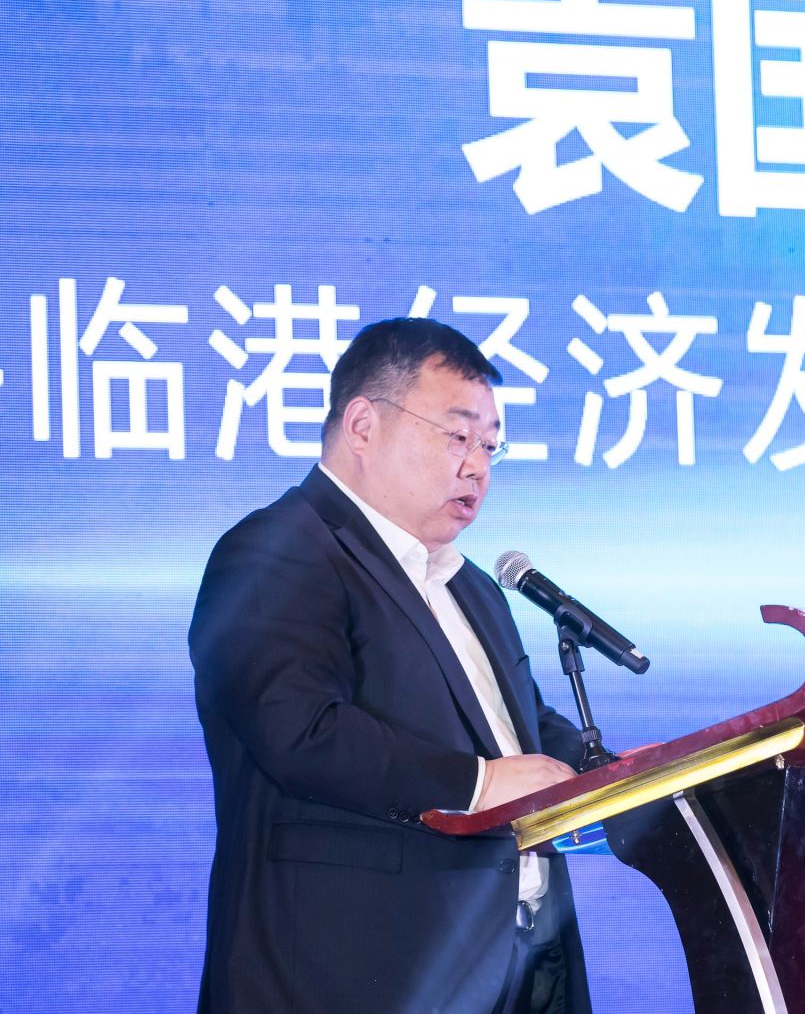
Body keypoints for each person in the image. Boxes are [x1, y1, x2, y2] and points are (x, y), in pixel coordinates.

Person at [189, 317, 591, 1013]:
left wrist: (630, 774)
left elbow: (523, 730)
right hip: (349, 979)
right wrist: (478, 783)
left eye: (490, 445)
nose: (477, 466)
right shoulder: (276, 549)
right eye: (457, 436)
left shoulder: (472, 586)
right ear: (363, 426)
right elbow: (300, 730)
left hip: (517, 969)